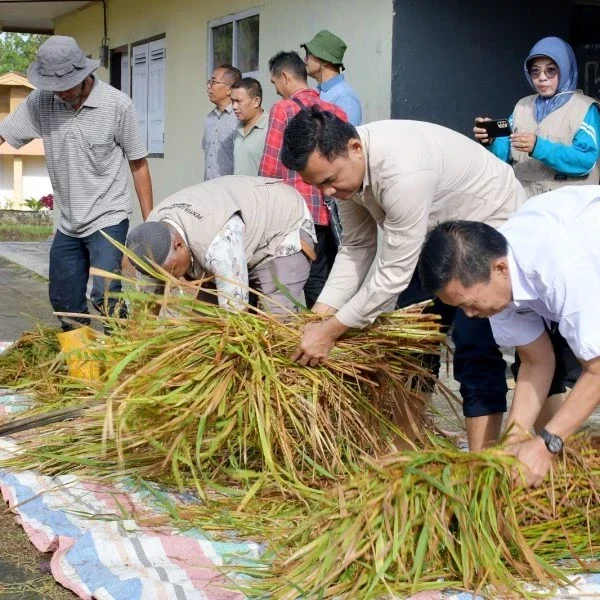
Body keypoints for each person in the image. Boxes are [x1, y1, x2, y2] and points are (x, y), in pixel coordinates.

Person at [281, 107, 528, 450]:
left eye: (329, 180)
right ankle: (403, 453)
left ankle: (481, 462)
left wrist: (330, 331)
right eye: (318, 185)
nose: (327, 193)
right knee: (411, 347)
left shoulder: (402, 171)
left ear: (355, 148)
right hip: (432, 238)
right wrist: (319, 316)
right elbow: (357, 247)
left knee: (474, 347)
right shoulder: (348, 177)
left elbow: (393, 274)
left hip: (487, 227)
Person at [416, 185, 600, 486]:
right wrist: (511, 445)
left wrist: (546, 444)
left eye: (470, 304)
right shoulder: (498, 283)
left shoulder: (560, 265)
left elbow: (597, 368)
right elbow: (537, 361)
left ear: (500, 268)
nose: (469, 315)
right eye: (460, 307)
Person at [0, 35, 153, 332]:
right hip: (69, 221)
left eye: (66, 86)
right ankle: (80, 357)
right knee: (64, 299)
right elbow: (4, 133)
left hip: (108, 215)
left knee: (106, 294)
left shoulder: (117, 105)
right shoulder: (41, 101)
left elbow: (139, 164)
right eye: (53, 87)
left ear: (83, 74)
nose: (60, 93)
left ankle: (122, 353)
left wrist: (150, 222)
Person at [126, 176, 316, 315]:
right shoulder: (147, 242)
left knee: (275, 317)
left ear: (179, 245)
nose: (172, 279)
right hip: (237, 229)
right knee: (206, 318)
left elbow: (235, 313)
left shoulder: (218, 245)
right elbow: (148, 304)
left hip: (280, 227)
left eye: (172, 271)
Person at [259, 51, 347, 308]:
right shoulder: (336, 111)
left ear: (285, 77)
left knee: (308, 278)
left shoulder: (283, 110)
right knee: (331, 274)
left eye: (275, 83)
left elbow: (270, 168)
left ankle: (321, 325)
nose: (276, 90)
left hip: (300, 212)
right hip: (334, 209)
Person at [474, 36, 600, 198]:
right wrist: (491, 140)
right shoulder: (522, 106)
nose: (542, 77)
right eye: (535, 71)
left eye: (551, 70)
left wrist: (538, 147)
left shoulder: (584, 108)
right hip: (523, 199)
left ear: (565, 69)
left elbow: (586, 161)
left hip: (567, 203)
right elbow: (505, 154)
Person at [301, 29, 362, 126]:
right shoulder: (316, 91)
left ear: (325, 60)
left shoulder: (345, 97)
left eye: (309, 53)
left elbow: (348, 135)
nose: (305, 58)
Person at [203, 64, 241, 180]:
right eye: (209, 82)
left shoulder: (239, 118)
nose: (209, 86)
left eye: (213, 82)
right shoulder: (209, 118)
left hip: (230, 188)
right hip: (209, 187)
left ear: (229, 89)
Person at [231, 78, 268, 176]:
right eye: (232, 101)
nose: (234, 106)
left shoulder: (271, 127)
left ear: (256, 101)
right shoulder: (238, 128)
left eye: (239, 101)